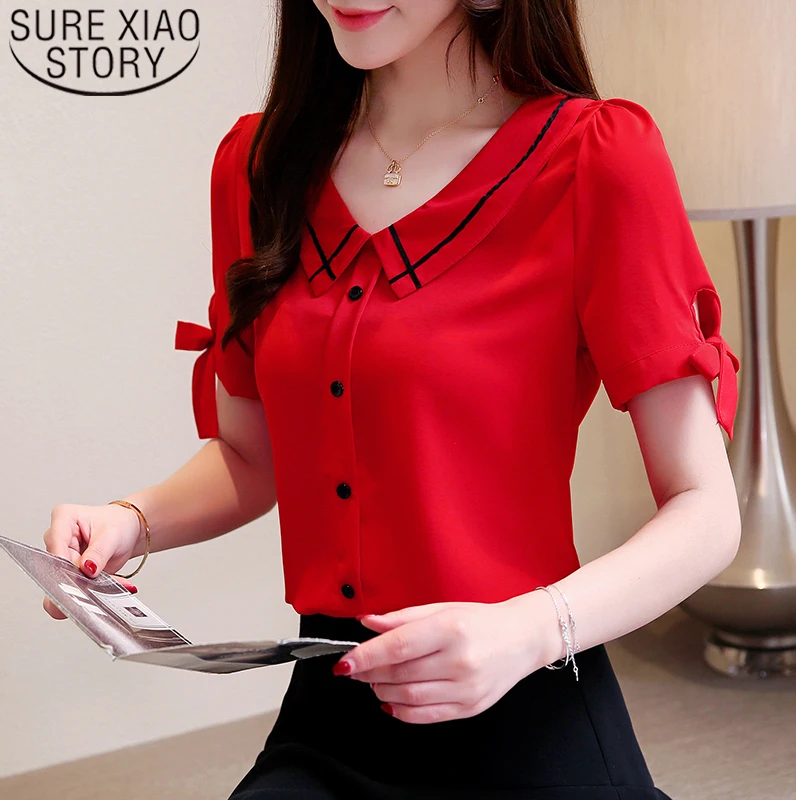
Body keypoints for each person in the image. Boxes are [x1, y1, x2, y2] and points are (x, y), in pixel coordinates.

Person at [43, 1, 743, 797]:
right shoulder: (258, 167)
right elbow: (251, 456)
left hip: (527, 705)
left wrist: (528, 631)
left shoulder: (595, 159)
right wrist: (130, 521)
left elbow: (706, 511)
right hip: (331, 715)